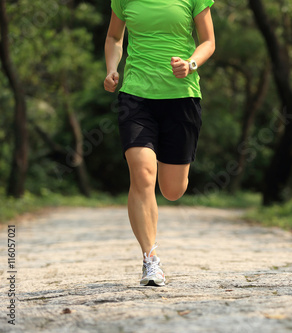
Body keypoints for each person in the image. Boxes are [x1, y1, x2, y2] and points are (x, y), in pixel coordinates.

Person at [104, 0, 215, 286]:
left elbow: (208, 41)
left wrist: (190, 64)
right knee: (141, 174)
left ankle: (151, 253)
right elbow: (114, 37)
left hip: (182, 98)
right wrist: (111, 68)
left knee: (173, 189)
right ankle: (150, 259)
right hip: (136, 97)